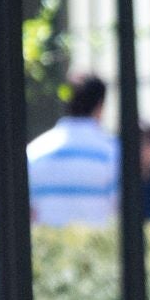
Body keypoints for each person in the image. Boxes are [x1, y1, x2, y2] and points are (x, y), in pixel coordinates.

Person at [27, 72, 117, 226]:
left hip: (45, 247)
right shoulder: (113, 152)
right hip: (100, 246)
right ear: (100, 105)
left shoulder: (34, 151)